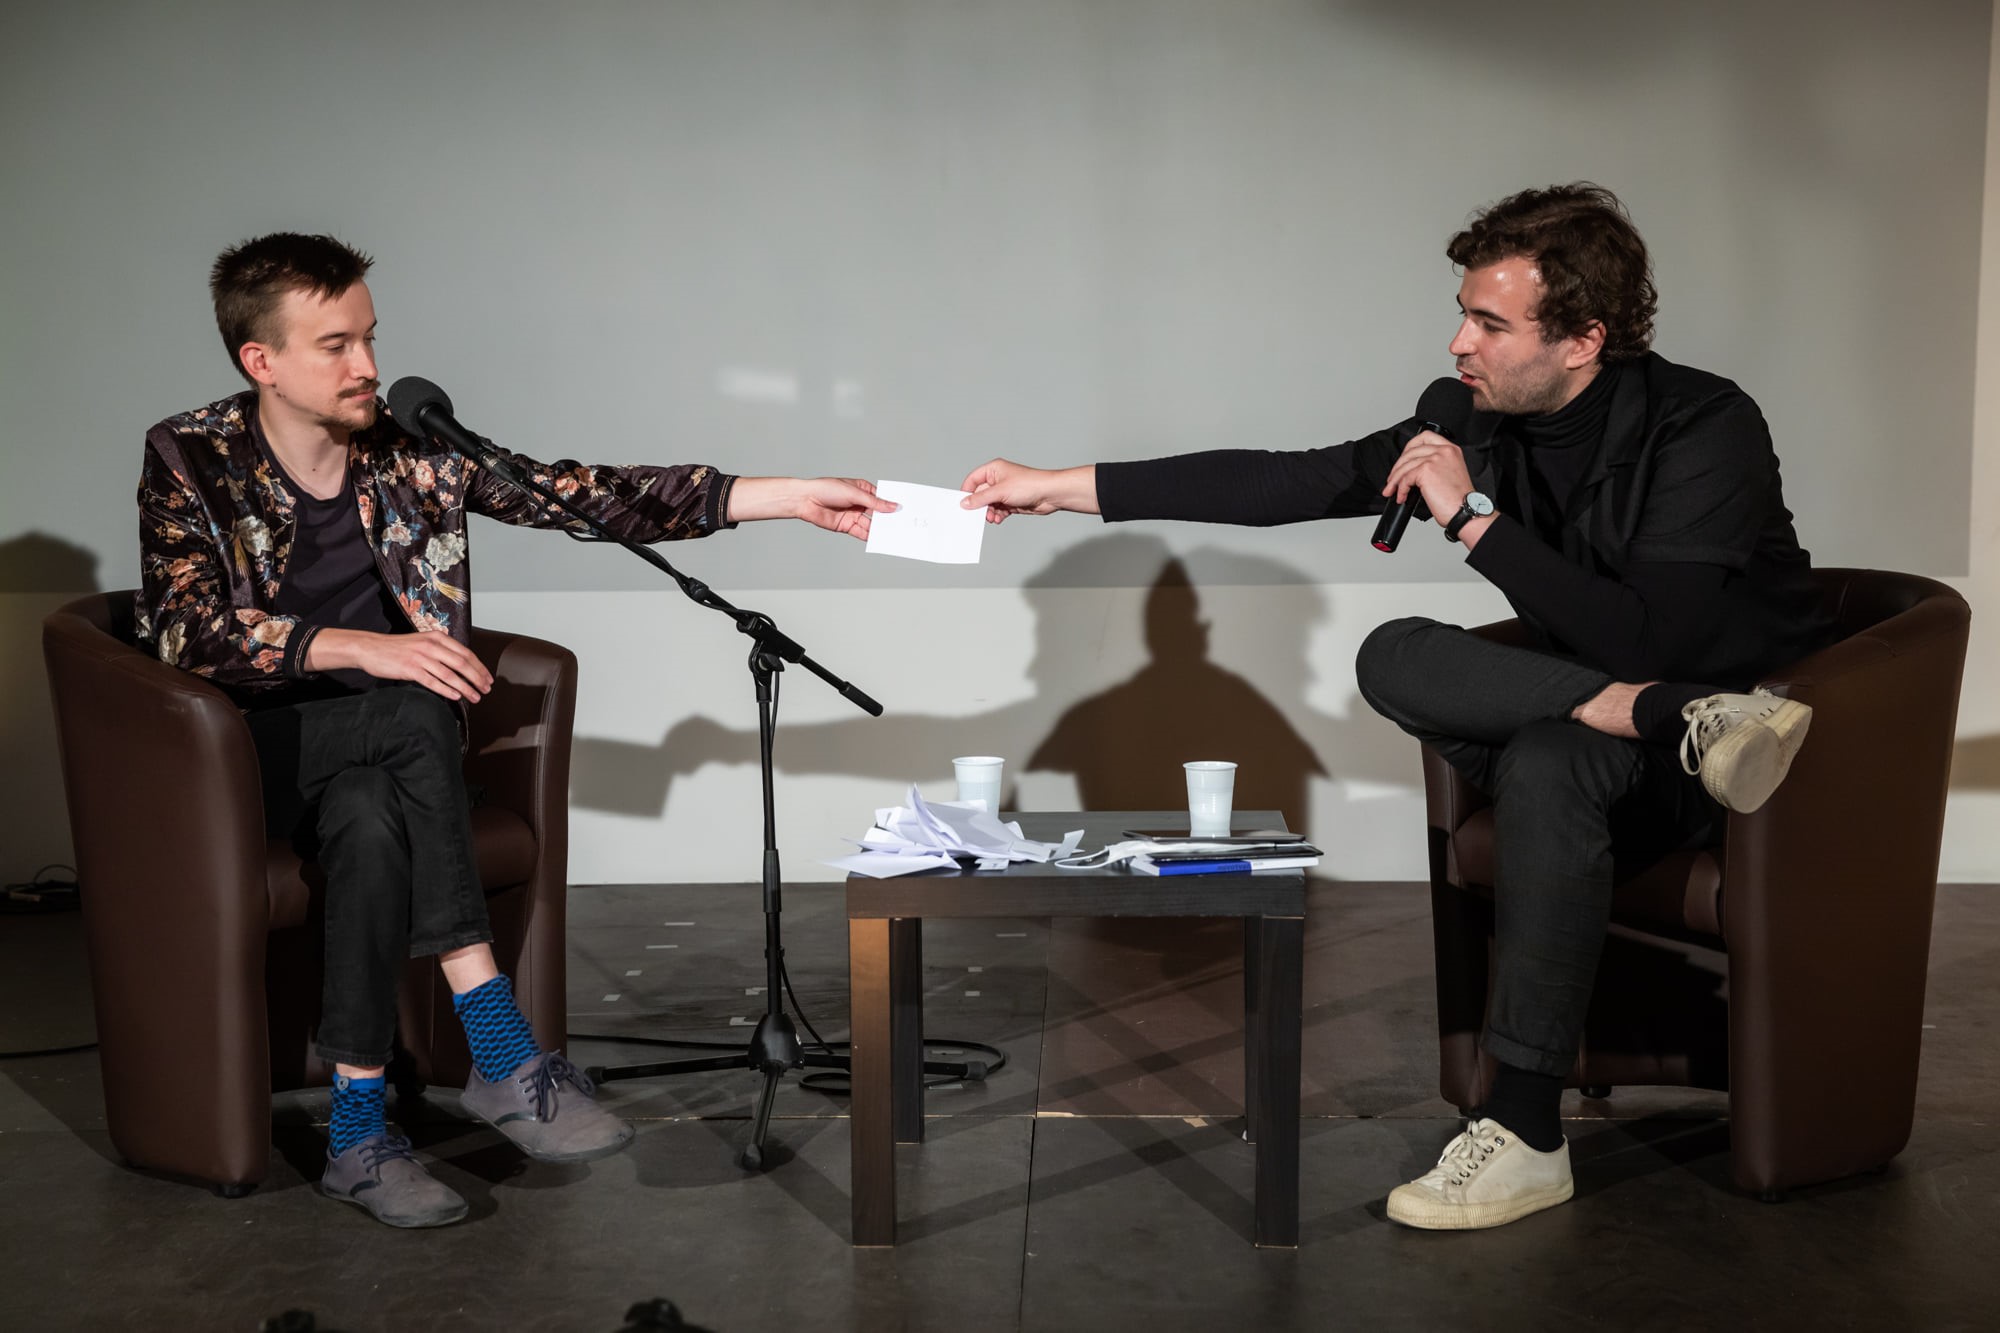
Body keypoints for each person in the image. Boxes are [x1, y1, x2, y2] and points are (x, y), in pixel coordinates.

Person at [956, 183, 1832, 1231]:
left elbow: (1652, 642)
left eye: (1489, 324)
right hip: (1626, 722)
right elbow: (1288, 481)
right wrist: (1059, 486)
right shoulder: (1473, 421)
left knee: (1550, 761)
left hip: (1734, 763)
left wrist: (1470, 519)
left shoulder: (1703, 425)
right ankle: (1672, 716)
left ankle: (1523, 1128)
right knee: (1392, 652)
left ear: (1582, 339)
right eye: (1462, 314)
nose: (1458, 343)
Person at [137, 232, 894, 1227]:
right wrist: (364, 649)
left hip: (381, 767)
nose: (367, 364)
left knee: (368, 818)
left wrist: (780, 498)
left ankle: (357, 1137)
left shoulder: (406, 447)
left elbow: (568, 493)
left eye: (369, 336)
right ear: (261, 360)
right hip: (256, 755)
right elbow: (184, 628)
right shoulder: (190, 453)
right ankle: (499, 1046)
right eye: (336, 345)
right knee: (414, 707)